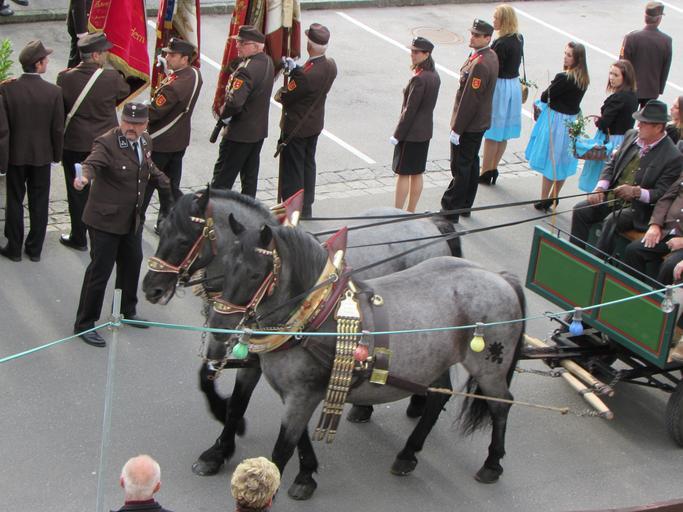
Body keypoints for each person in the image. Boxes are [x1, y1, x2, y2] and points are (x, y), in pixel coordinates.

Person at [72, 103, 171, 347]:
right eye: (127, 122)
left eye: (137, 124)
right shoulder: (107, 142)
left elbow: (147, 167)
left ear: (145, 125)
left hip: (131, 219)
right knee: (100, 271)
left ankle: (127, 310)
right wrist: (84, 177)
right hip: (104, 221)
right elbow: (92, 163)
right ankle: (84, 323)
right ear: (121, 120)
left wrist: (167, 184)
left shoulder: (145, 141)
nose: (131, 128)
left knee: (132, 262)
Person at [570, 100, 683, 255]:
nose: (639, 125)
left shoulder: (673, 156)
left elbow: (661, 193)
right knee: (581, 210)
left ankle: (596, 263)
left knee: (612, 220)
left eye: (644, 123)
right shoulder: (631, 135)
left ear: (658, 127)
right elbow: (612, 163)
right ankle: (574, 256)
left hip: (638, 210)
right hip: (612, 197)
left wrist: (636, 192)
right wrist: (600, 187)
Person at [57, 32, 130, 252]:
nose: (107, 55)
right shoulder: (112, 78)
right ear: (96, 55)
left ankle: (79, 237)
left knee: (77, 191)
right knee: (107, 188)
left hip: (75, 143)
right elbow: (124, 92)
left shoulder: (64, 78)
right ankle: (104, 235)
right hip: (105, 145)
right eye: (104, 52)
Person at [0, 40, 64, 263]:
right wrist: (56, 156)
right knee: (39, 202)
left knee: (14, 201)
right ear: (38, 64)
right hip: (42, 156)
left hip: (15, 156)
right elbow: (58, 129)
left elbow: (3, 129)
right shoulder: (54, 92)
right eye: (45, 59)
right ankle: (35, 249)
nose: (47, 62)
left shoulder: (8, 89)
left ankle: (14, 248)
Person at [276, 23, 337, 219]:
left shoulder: (305, 76)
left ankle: (293, 209)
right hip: (314, 124)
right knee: (308, 165)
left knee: (293, 170)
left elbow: (286, 97)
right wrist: (297, 70)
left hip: (297, 126)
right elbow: (307, 78)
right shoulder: (330, 65)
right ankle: (307, 205)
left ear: (309, 45)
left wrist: (294, 74)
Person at [440, 18, 498, 223]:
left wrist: (457, 128)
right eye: (472, 33)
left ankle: (451, 209)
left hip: (469, 124)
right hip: (477, 122)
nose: (472, 37)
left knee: (461, 166)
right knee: (471, 163)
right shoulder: (487, 56)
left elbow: (469, 101)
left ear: (487, 38)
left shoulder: (481, 64)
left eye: (477, 35)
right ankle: (465, 204)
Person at [144, 37, 203, 233]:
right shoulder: (194, 74)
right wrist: (169, 74)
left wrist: (144, 107)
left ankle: (137, 219)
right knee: (170, 185)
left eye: (172, 55)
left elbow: (154, 113)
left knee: (148, 185)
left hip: (161, 142)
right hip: (179, 140)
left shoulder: (173, 87)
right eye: (168, 54)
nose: (167, 57)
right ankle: (166, 223)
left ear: (185, 59)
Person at [525, 41, 589, 211]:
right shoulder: (583, 79)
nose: (565, 57)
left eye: (569, 55)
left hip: (557, 121)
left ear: (577, 59)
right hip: (572, 120)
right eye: (565, 53)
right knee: (562, 160)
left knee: (551, 158)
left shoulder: (564, 77)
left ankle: (544, 198)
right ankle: (554, 195)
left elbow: (546, 96)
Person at [212, 25, 274, 198]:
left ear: (256, 46)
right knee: (249, 178)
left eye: (242, 43)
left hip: (239, 133)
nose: (237, 46)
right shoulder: (267, 61)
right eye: (238, 42)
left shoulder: (246, 69)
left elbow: (235, 102)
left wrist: (224, 114)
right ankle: (249, 209)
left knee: (223, 178)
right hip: (257, 132)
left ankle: (214, 211)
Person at [389, 36, 440, 212]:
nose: (412, 54)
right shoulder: (434, 75)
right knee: (417, 172)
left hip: (411, 133)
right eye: (412, 51)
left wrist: (397, 134)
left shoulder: (420, 78)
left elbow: (410, 110)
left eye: (416, 52)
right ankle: (411, 210)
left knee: (403, 173)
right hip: (424, 131)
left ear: (426, 54)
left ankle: (397, 211)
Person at [578, 60, 638, 193]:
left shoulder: (618, 98)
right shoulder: (633, 96)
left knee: (599, 175)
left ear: (625, 77)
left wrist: (598, 121)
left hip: (611, 140)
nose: (611, 78)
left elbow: (605, 123)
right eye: (611, 73)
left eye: (616, 75)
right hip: (624, 140)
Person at [479, 4, 523, 186]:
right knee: (503, 132)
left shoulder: (501, 43)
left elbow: (493, 68)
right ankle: (494, 167)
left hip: (501, 87)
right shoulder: (518, 38)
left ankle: (485, 171)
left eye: (496, 17)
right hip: (513, 84)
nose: (494, 21)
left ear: (503, 20)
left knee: (492, 132)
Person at [623, 175, 683, 285]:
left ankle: (656, 296)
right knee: (634, 250)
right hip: (668, 232)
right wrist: (655, 224)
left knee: (670, 266)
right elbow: (666, 199)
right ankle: (632, 291)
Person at [620, 2, 672, 108]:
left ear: (645, 17)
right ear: (659, 19)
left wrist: (622, 86)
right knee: (646, 118)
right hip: (652, 90)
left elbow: (623, 64)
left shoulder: (631, 37)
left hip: (631, 88)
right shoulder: (666, 40)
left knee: (628, 117)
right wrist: (659, 88)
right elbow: (665, 67)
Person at [67, 0, 92, 68]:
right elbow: (78, 3)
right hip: (84, 23)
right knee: (79, 60)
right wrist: (82, 31)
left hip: (94, 21)